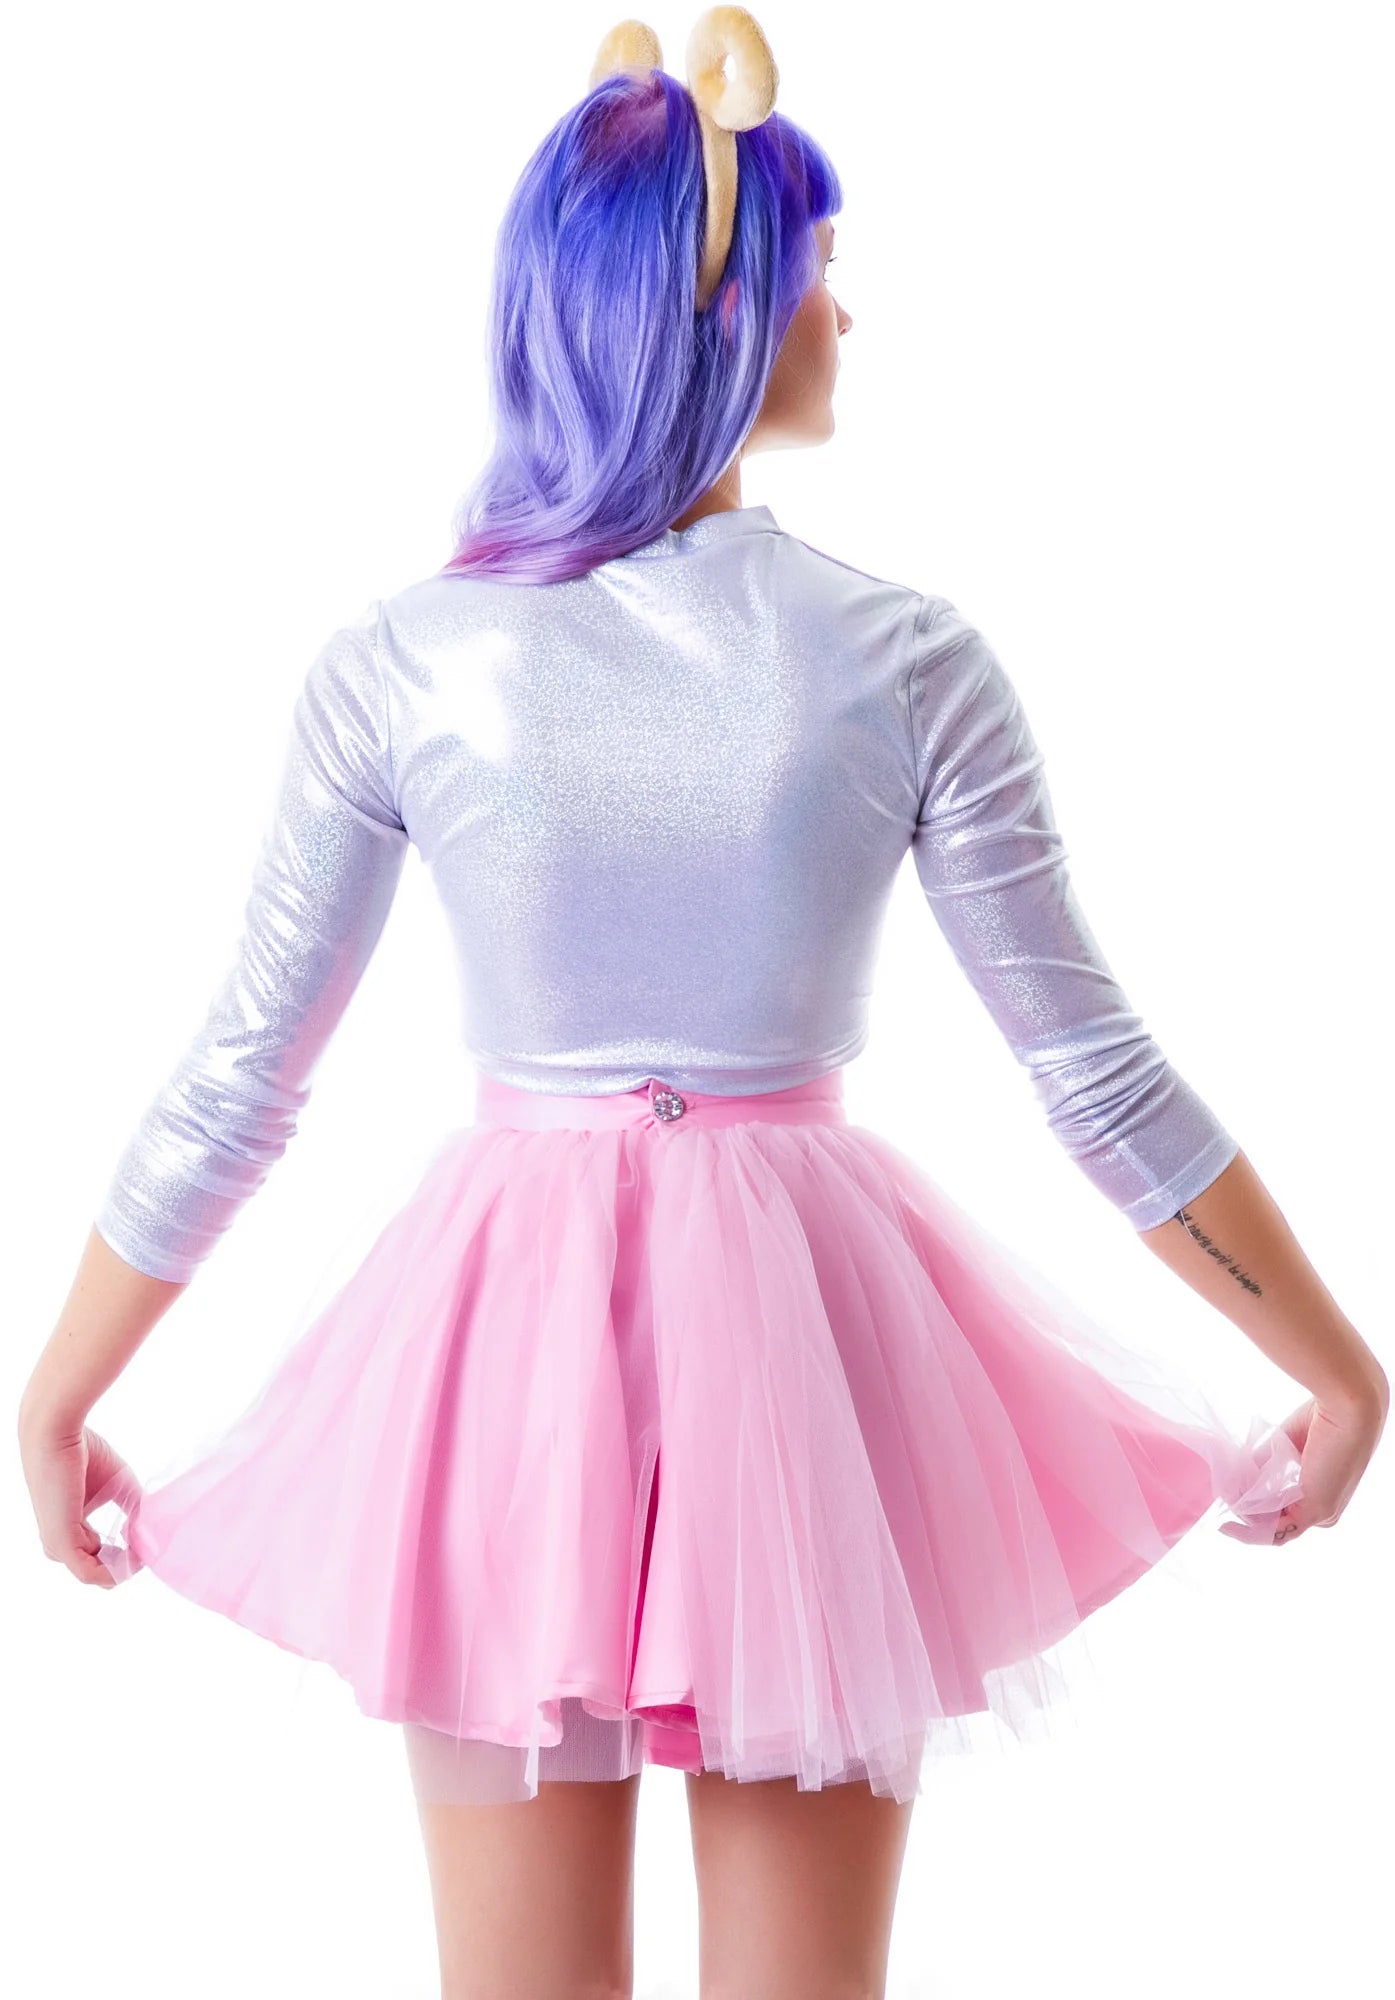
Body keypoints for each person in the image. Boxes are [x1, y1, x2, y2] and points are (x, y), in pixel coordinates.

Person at [18, 12, 1387, 1999]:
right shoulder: (896, 658)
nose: (850, 309)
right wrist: (1335, 1365)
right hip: (805, 1339)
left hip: (501, 1334)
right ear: (724, 311)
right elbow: (1088, 1072)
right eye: (822, 266)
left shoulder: (409, 662)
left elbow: (247, 1072)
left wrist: (59, 1388)